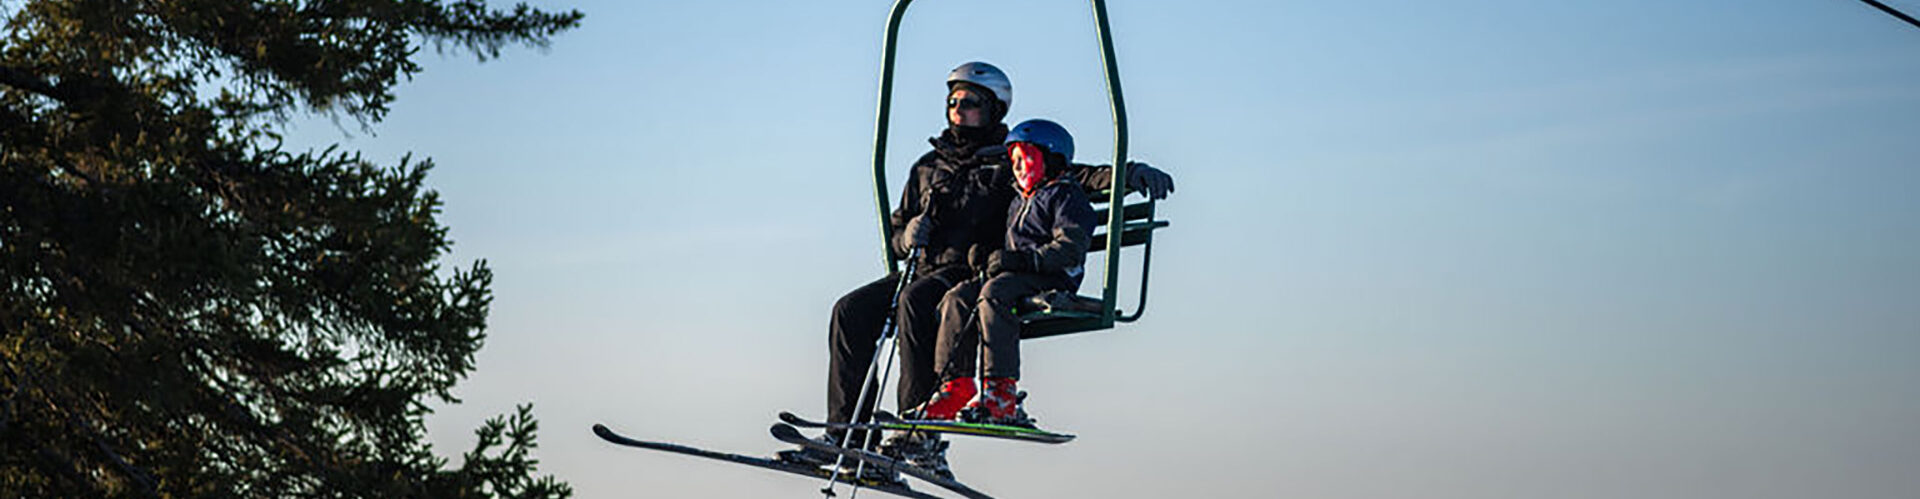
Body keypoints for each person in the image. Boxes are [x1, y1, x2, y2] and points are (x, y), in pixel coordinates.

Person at [779, 62, 1175, 480]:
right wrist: (907, 236)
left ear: (994, 110)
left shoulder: (1008, 161)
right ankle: (846, 437)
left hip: (969, 271)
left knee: (918, 302)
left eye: (969, 102)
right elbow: (898, 230)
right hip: (923, 268)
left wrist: (1129, 174)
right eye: (952, 101)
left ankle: (919, 429)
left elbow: (1071, 176)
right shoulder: (927, 166)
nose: (958, 109)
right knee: (850, 310)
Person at [917, 119, 1092, 427]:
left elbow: (1069, 248)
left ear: (1051, 159)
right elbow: (1009, 246)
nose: (1019, 167)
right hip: (1016, 276)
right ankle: (954, 385)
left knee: (994, 294)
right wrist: (986, 256)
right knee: (957, 297)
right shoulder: (1018, 200)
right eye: (1014, 161)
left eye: (1027, 158)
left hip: (1051, 275)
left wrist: (1018, 260)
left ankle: (1001, 392)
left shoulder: (1065, 197)